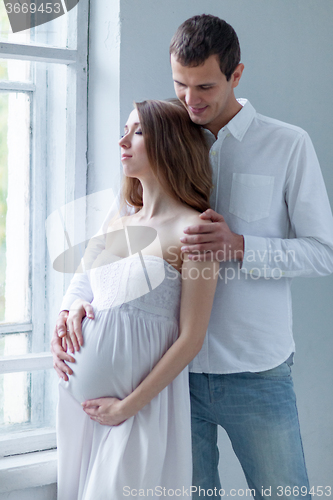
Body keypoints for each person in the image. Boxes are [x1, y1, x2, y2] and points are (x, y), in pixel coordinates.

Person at [51, 14, 333, 500]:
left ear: (236, 75)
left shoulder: (287, 144)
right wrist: (72, 303)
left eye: (204, 86)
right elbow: (111, 239)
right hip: (173, 383)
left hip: (254, 370)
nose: (191, 100)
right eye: (180, 84)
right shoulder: (163, 134)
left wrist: (240, 247)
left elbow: (322, 253)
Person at [55, 99, 218, 500]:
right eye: (126, 129)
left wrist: (128, 406)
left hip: (139, 409)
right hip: (81, 411)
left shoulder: (195, 230)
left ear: (171, 143)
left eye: (138, 131)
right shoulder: (119, 221)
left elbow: (191, 338)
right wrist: (69, 314)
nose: (123, 140)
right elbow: (86, 288)